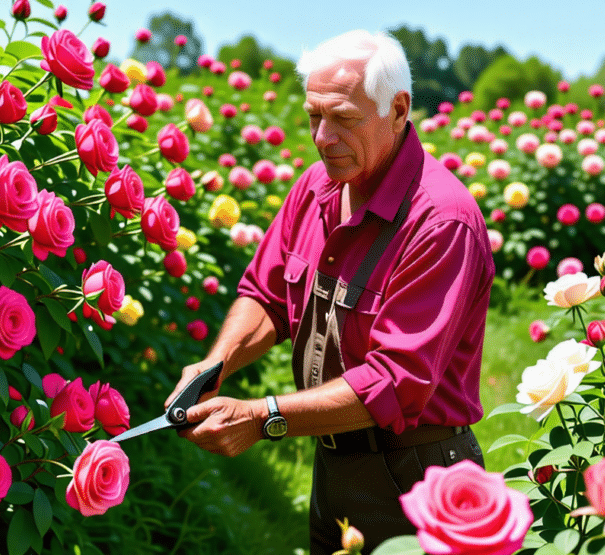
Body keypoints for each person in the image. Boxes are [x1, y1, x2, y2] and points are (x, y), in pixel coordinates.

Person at [165, 30, 494, 554]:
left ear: (399, 109)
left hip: (419, 475)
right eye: (314, 116)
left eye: (342, 118)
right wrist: (216, 366)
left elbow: (393, 382)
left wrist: (261, 416)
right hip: (335, 463)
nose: (322, 137)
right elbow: (266, 297)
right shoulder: (315, 189)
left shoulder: (440, 221)